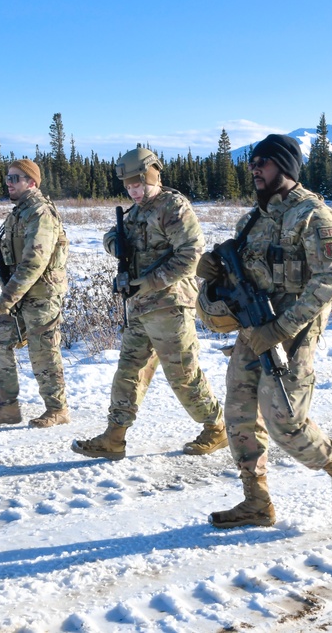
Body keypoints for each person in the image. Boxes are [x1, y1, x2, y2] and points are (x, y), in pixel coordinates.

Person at [196, 134, 332, 528]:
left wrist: (280, 329)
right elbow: (240, 269)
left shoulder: (313, 216)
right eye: (252, 162)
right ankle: (256, 502)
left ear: (285, 167)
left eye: (263, 163)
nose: (254, 169)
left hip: (293, 330)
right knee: (238, 414)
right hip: (253, 326)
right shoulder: (252, 217)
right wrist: (213, 273)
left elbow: (329, 282)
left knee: (285, 419)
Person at [71, 146, 227, 460]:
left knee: (183, 374)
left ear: (152, 175)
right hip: (140, 307)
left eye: (138, 184)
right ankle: (114, 437)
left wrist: (151, 281)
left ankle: (217, 428)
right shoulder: (137, 211)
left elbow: (191, 254)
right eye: (128, 186)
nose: (133, 191)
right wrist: (115, 243)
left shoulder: (172, 206)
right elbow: (115, 238)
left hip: (169, 305)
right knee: (129, 370)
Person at [0, 159, 70, 428]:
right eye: (7, 178)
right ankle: (7, 408)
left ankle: (58, 409)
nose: (9, 183)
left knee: (43, 352)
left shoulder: (39, 213)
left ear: (31, 182)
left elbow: (35, 261)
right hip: (20, 294)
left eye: (15, 178)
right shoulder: (18, 213)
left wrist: (9, 296)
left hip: (41, 294)